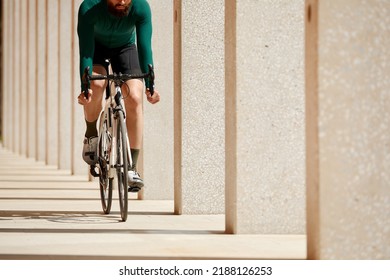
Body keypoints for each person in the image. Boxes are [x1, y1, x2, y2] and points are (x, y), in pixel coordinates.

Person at [77, 0, 160, 192]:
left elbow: (145, 46)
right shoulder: (89, 7)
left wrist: (150, 85)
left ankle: (132, 168)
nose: (122, 2)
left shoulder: (140, 7)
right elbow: (85, 51)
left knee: (135, 98)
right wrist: (85, 87)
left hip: (125, 49)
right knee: (96, 84)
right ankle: (91, 134)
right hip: (96, 49)